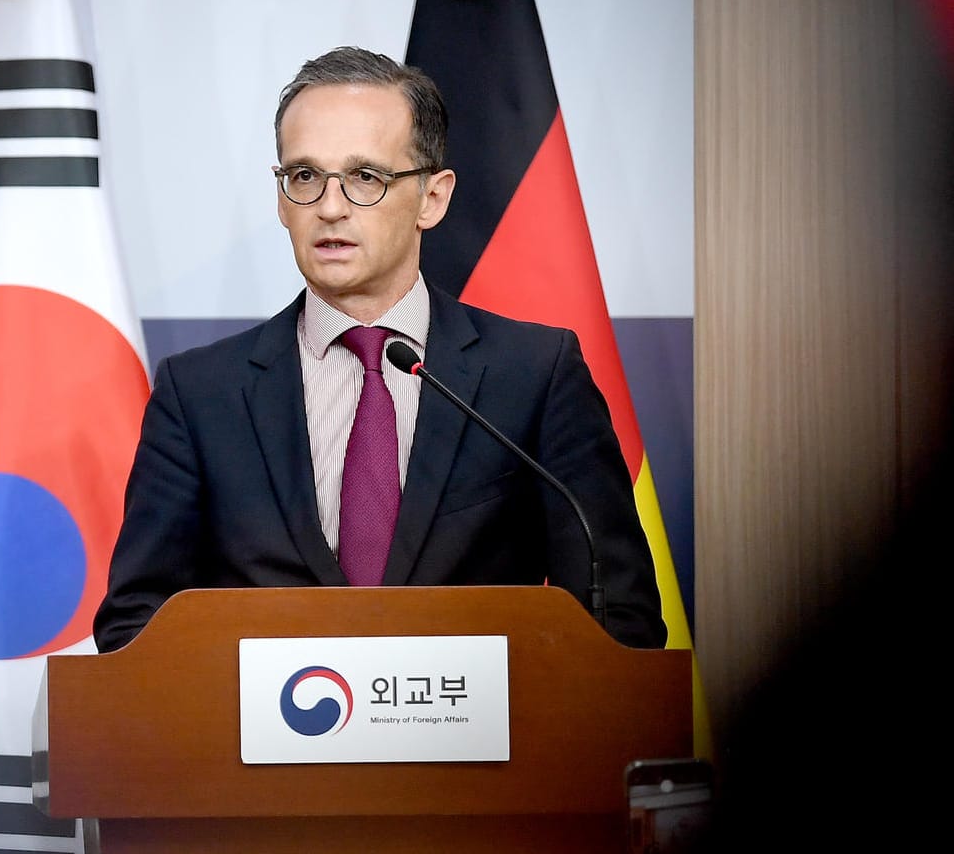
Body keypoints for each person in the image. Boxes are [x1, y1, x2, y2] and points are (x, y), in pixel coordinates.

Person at [93, 46, 665, 652]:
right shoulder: (200, 393)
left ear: (432, 198)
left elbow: (616, 618)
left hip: (477, 743)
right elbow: (135, 627)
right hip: (265, 742)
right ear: (283, 200)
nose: (330, 206)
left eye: (366, 176)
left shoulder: (535, 374)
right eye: (305, 176)